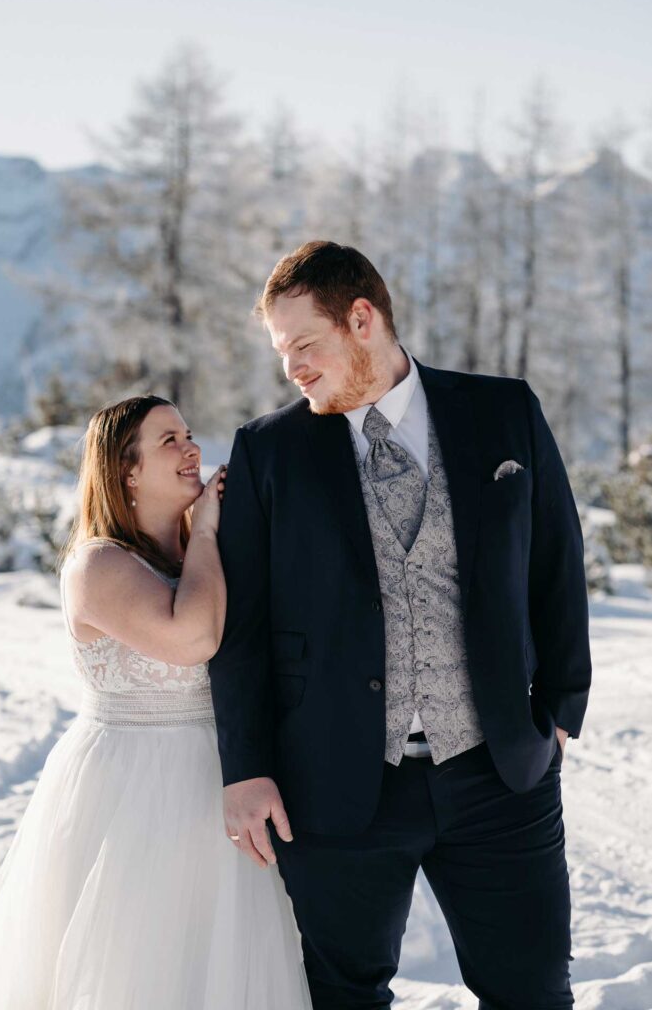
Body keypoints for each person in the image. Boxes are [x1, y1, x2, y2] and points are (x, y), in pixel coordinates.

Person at [209, 242, 592, 1009]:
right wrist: (246, 766)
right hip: (336, 784)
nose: (294, 369)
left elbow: (556, 561)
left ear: (361, 319)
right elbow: (241, 627)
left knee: (534, 992)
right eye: (283, 353)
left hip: (498, 774)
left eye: (305, 346)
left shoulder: (502, 410)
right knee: (343, 995)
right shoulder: (268, 451)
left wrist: (558, 713)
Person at [0, 395, 312, 1010]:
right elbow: (193, 637)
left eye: (188, 434)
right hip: (132, 792)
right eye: (169, 441)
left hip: (221, 781)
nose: (192, 449)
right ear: (126, 471)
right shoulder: (97, 564)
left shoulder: (197, 555)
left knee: (220, 961)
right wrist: (208, 528)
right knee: (138, 965)